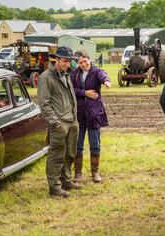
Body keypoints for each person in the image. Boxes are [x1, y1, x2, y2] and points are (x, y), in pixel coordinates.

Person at [37, 46, 81, 198]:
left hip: (71, 120)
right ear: (56, 59)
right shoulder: (46, 77)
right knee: (56, 155)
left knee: (70, 153)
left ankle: (66, 181)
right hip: (59, 122)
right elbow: (44, 103)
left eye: (69, 61)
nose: (67, 64)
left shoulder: (66, 74)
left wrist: (74, 118)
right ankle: (55, 187)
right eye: (64, 61)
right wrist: (55, 123)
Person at [70, 49, 111, 183]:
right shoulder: (74, 73)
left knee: (95, 144)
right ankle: (78, 173)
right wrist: (84, 92)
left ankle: (95, 172)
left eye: (85, 61)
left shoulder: (96, 71)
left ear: (89, 59)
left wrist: (106, 82)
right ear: (76, 63)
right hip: (79, 114)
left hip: (94, 114)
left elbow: (103, 75)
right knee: (78, 145)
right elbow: (71, 89)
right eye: (80, 62)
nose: (83, 64)